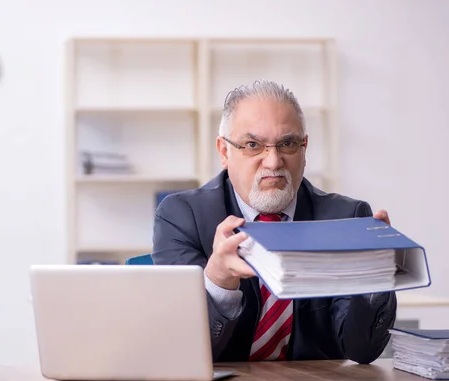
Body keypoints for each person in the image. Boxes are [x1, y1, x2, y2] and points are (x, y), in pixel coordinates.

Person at [152, 80, 397, 364]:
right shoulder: (182, 216)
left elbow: (362, 350)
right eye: (253, 145)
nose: (273, 162)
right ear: (223, 152)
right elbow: (184, 353)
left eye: (287, 144)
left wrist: (375, 279)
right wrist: (219, 278)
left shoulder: (346, 218)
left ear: (304, 149)